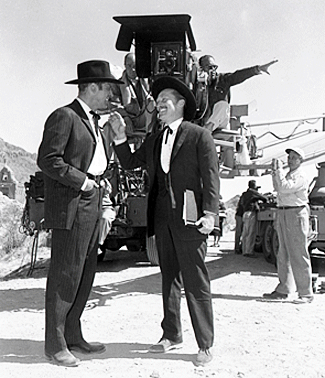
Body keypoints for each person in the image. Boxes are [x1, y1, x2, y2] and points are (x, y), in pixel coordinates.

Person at [107, 76, 220, 367]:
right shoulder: (155, 139)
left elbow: (210, 178)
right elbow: (132, 163)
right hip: (161, 219)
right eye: (156, 103)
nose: (159, 106)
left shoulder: (199, 135)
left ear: (181, 104)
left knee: (195, 280)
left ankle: (205, 344)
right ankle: (171, 335)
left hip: (191, 218)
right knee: (169, 278)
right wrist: (120, 137)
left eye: (164, 101)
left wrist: (210, 213)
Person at [37, 60, 123, 367]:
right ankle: (55, 345)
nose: (111, 95)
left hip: (93, 199)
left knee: (85, 272)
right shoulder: (65, 116)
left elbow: (99, 162)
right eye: (108, 89)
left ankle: (73, 336)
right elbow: (48, 160)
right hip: (74, 203)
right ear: (92, 87)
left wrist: (102, 191)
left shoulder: (94, 122)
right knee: (65, 275)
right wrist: (84, 182)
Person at [263, 147, 314, 304]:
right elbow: (279, 187)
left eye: (294, 157)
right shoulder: (290, 174)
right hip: (285, 212)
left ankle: (305, 293)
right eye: (289, 157)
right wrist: (275, 173)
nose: (290, 160)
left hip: (296, 214)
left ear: (301, 160)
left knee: (298, 253)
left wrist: (277, 172)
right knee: (283, 252)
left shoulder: (301, 176)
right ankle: (284, 289)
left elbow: (284, 188)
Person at [195, 55, 278, 131]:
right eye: (208, 67)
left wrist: (257, 69)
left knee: (223, 105)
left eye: (214, 67)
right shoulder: (196, 85)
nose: (212, 70)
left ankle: (206, 130)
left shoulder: (222, 79)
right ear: (201, 69)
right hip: (203, 120)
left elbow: (238, 75)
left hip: (219, 121)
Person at [118, 52, 155, 134]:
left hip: (147, 121)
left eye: (135, 66)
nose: (133, 69)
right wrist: (126, 118)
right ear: (125, 66)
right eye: (129, 66)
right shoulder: (118, 84)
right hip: (129, 121)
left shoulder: (148, 81)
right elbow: (115, 105)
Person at [240, 180, 267, 257]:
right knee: (251, 233)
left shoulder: (244, 194)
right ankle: (249, 252)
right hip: (251, 213)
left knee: (245, 233)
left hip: (245, 213)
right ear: (254, 186)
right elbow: (263, 198)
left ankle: (244, 250)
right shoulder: (253, 192)